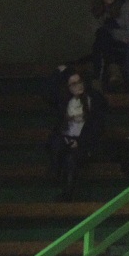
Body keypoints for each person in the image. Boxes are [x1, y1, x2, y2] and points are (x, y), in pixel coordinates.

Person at [46, 65, 106, 200]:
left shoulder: (92, 99)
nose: (78, 86)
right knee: (57, 144)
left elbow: (96, 127)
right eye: (73, 84)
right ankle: (55, 174)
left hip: (84, 142)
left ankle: (68, 193)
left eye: (79, 82)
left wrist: (80, 141)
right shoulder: (65, 101)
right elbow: (48, 93)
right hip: (66, 139)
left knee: (71, 159)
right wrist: (58, 73)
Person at [90, 0, 129, 86]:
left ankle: (99, 78)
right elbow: (95, 30)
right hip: (105, 42)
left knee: (103, 35)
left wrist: (112, 32)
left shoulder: (124, 5)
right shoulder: (97, 7)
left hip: (123, 42)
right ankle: (112, 71)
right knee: (101, 37)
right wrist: (108, 31)